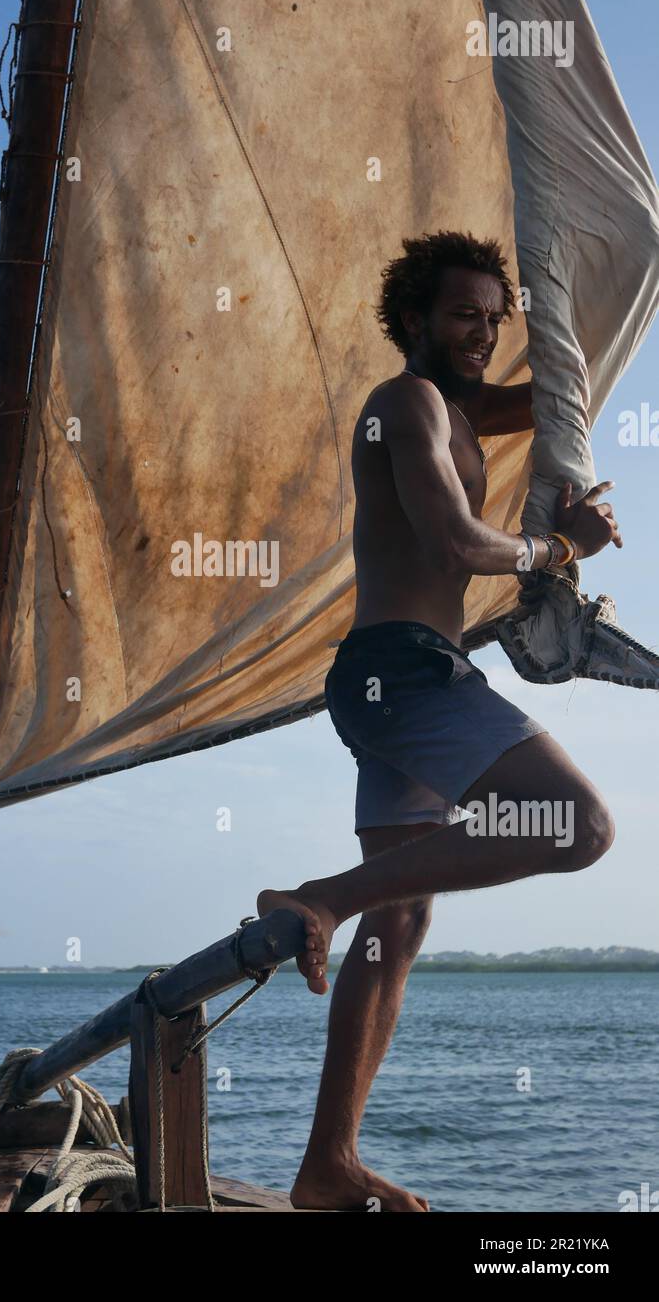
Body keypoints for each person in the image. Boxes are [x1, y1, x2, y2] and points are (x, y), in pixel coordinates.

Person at [257, 231, 622, 1211]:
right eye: (464, 314)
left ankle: (326, 1163)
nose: (482, 334)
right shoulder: (404, 404)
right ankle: (319, 897)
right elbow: (455, 537)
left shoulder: (464, 405)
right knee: (575, 825)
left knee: (403, 918)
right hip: (404, 673)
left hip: (401, 679)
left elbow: (559, 392)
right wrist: (556, 548)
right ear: (413, 319)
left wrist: (552, 295)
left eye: (493, 320)